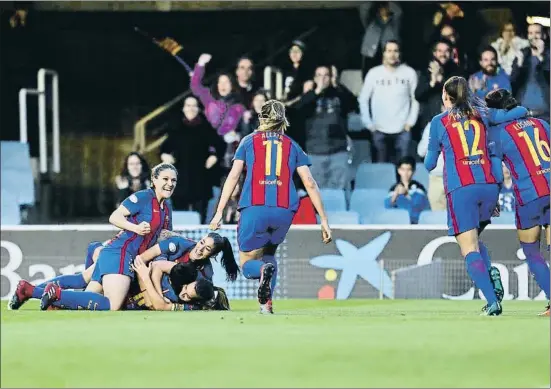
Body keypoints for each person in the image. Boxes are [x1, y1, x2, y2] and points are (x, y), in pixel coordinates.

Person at [208, 100, 332, 314]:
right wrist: (324, 220)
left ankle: (263, 273)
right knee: (269, 254)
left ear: (261, 118)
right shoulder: (292, 145)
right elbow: (310, 182)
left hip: (255, 208)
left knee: (248, 266)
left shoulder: (248, 142)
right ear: (283, 119)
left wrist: (219, 211)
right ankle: (266, 306)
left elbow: (233, 177)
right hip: (284, 211)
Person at [40, 163, 177, 311]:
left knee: (86, 303)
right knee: (112, 305)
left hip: (122, 255)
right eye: (165, 179)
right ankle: (57, 294)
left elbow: (164, 236)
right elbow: (114, 217)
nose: (170, 184)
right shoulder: (143, 197)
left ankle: (36, 293)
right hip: (121, 253)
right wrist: (136, 228)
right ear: (154, 180)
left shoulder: (167, 207)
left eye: (173, 180)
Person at [424, 76, 505, 316]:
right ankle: (491, 275)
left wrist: (438, 151)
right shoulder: (482, 117)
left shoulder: (440, 122)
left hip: (462, 188)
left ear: (444, 95)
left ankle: (492, 301)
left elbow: (429, 164)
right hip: (489, 186)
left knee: (468, 248)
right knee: (474, 239)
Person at [485, 88, 550, 316]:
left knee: (532, 252)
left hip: (529, 195)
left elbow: (495, 174)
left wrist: (492, 199)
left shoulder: (498, 134)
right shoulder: (542, 124)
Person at [160, 96, 224, 221]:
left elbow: (220, 145)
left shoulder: (206, 127)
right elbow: (164, 148)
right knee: (180, 216)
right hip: (180, 178)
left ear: (198, 109)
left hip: (201, 178)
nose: (191, 108)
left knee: (200, 215)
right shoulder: (175, 126)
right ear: (183, 109)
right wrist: (164, 155)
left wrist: (214, 157)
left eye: (194, 106)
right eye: (188, 106)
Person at [359, 40, 419, 162]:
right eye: (389, 51)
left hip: (403, 130)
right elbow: (363, 99)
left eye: (395, 51)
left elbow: (415, 99)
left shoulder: (409, 73)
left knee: (404, 170)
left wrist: (410, 123)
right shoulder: (373, 73)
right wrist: (369, 124)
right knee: (381, 172)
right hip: (379, 131)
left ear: (400, 53)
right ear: (384, 53)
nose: (392, 54)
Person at [384, 156, 430, 224]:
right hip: (398, 223)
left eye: (409, 170)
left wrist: (406, 194)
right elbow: (387, 206)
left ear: (413, 171)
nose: (405, 173)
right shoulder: (394, 188)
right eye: (403, 169)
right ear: (398, 170)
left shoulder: (419, 187)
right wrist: (395, 195)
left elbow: (418, 205)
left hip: (416, 223)